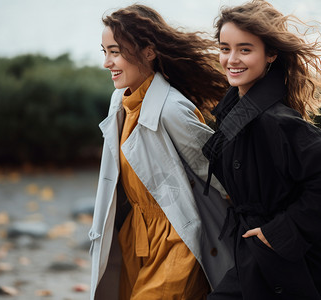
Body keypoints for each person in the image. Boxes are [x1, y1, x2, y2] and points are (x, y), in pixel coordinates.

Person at [202, 1, 321, 299]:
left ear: (271, 54)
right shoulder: (237, 111)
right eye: (225, 48)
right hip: (261, 257)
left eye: (244, 49)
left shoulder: (274, 120)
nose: (231, 59)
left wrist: (279, 232)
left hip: (306, 263)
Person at [89, 4, 234, 300]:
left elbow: (221, 177)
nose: (107, 62)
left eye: (115, 51)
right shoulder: (121, 103)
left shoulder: (172, 110)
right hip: (134, 241)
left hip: (177, 242)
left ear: (149, 51)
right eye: (104, 51)